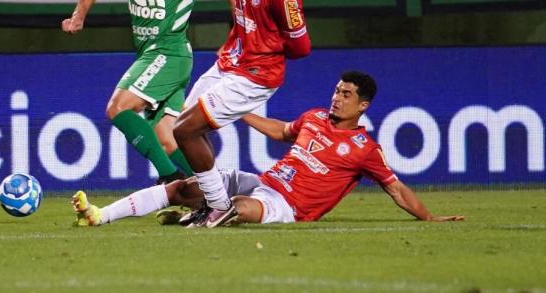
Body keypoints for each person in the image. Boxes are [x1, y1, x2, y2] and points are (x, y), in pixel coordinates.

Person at [72, 71, 464, 227]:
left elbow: (395, 187)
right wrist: (240, 112)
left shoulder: (364, 148)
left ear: (363, 106)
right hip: (265, 182)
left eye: (347, 95)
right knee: (184, 186)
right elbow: (281, 132)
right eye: (337, 90)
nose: (337, 97)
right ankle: (100, 215)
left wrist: (429, 218)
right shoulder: (314, 118)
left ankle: (198, 219)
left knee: (238, 210)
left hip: (290, 208)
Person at [62, 0, 235, 183]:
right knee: (166, 139)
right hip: (151, 53)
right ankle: (216, 195)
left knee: (118, 108)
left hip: (169, 51)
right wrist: (79, 14)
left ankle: (168, 178)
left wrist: (235, 39)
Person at [171, 0, 312, 226]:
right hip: (231, 60)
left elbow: (301, 47)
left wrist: (265, 45)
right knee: (185, 129)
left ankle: (219, 205)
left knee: (184, 129)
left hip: (256, 75)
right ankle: (213, 202)